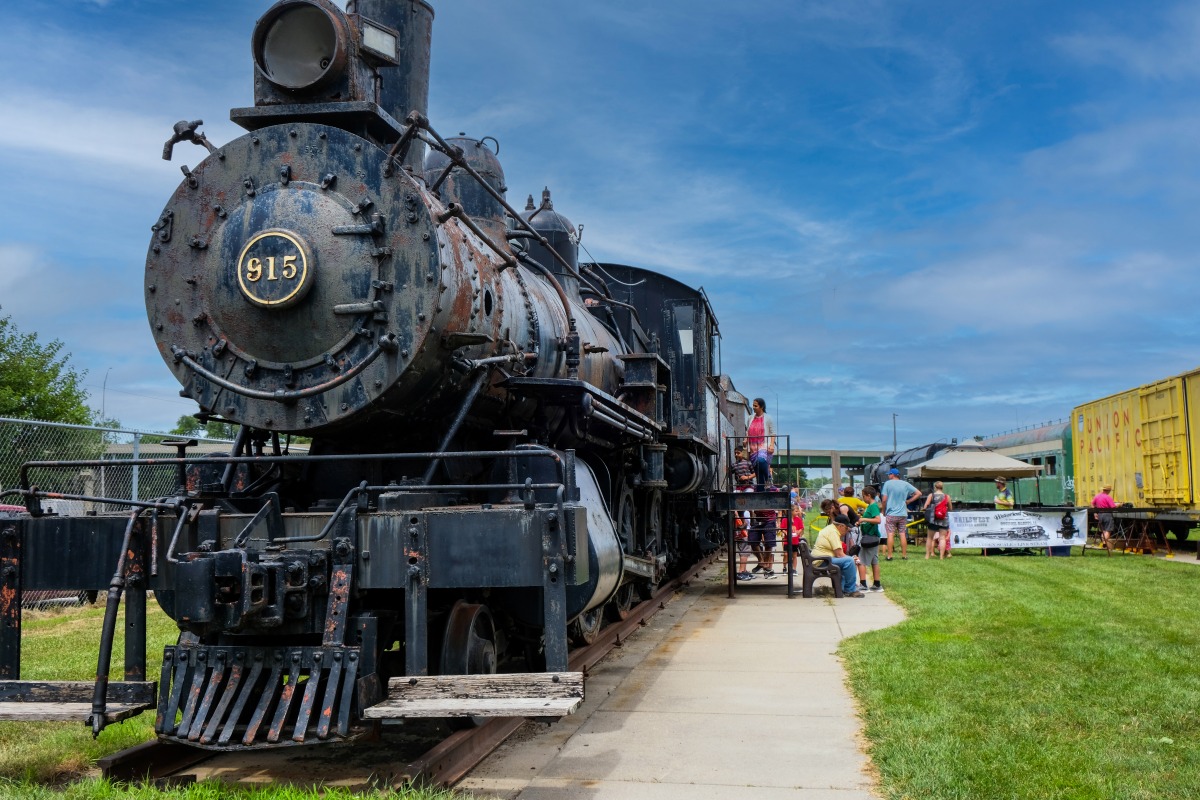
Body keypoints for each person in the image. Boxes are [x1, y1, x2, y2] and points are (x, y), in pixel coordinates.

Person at [812, 514, 864, 597]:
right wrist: (852, 558)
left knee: (847, 561)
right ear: (841, 526)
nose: (847, 531)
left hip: (821, 559)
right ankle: (850, 590)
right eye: (846, 528)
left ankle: (842, 588)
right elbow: (839, 554)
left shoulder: (830, 529)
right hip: (822, 561)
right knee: (849, 561)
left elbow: (839, 554)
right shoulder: (833, 532)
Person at [880, 468, 921, 560]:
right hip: (903, 513)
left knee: (890, 534)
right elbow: (918, 493)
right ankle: (904, 555)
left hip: (891, 513)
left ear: (892, 475)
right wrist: (908, 501)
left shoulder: (887, 484)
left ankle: (890, 555)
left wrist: (883, 510)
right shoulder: (905, 484)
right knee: (902, 533)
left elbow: (884, 499)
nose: (888, 476)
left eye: (889, 474)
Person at [746, 397, 777, 488]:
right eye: (753, 405)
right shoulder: (750, 418)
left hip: (764, 446)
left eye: (755, 406)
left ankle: (768, 477)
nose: (753, 407)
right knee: (758, 474)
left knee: (761, 461)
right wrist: (745, 441)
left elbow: (772, 432)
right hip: (752, 447)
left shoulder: (768, 418)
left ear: (761, 407)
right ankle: (761, 490)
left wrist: (771, 445)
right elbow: (748, 431)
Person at [859, 486, 884, 591]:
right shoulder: (870, 506)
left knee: (861, 561)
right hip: (873, 536)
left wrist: (864, 518)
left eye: (863, 496)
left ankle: (863, 585)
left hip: (870, 536)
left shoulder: (873, 506)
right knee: (874, 560)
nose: (863, 498)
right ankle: (877, 584)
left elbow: (878, 520)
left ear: (868, 496)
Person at [922, 481, 953, 560]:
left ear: (935, 487)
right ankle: (941, 557)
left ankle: (927, 556)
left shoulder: (931, 495)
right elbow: (950, 508)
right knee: (942, 538)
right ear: (942, 487)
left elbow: (925, 506)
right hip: (943, 520)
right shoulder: (947, 496)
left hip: (933, 519)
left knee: (930, 538)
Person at [1093, 483, 1117, 553]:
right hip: (1107, 514)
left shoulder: (1097, 496)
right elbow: (1113, 507)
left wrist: (1095, 513)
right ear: (1108, 490)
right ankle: (1105, 544)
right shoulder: (1107, 497)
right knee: (1108, 530)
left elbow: (1092, 504)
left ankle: (1103, 542)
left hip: (1100, 514)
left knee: (1103, 530)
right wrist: (1118, 505)